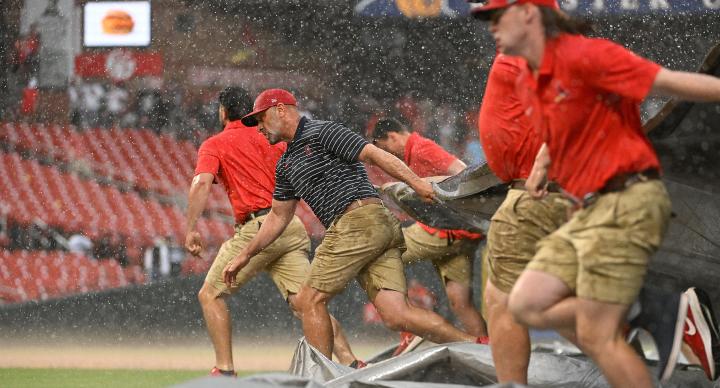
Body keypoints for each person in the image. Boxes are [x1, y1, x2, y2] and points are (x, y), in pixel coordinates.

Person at [473, 0, 720, 386]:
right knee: (533, 306)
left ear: (529, 15)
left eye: (496, 16)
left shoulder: (585, 55)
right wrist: (550, 170)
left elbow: (672, 83)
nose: (490, 26)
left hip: (625, 198)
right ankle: (651, 310)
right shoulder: (538, 75)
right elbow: (568, 122)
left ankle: (652, 309)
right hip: (583, 202)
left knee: (536, 311)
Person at [223, 89, 486, 362]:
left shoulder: (323, 131)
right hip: (376, 227)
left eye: (261, 119)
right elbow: (278, 216)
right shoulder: (286, 164)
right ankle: (479, 345)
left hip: (357, 223)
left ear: (281, 110)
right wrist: (245, 254)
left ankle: (319, 381)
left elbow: (373, 155)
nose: (260, 128)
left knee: (308, 301)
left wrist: (417, 183)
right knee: (397, 315)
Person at [185, 87, 361, 377]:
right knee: (308, 303)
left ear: (223, 111)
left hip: (257, 227)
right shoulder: (271, 137)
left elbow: (202, 183)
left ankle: (225, 370)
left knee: (210, 295)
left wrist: (191, 229)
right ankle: (351, 361)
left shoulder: (215, 144)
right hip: (290, 227)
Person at [371, 117, 487, 337]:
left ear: (393, 137)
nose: (389, 155)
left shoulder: (422, 148)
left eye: (386, 149)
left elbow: (462, 174)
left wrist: (413, 187)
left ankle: (407, 327)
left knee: (385, 254)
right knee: (460, 302)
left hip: (443, 231)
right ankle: (487, 353)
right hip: (460, 236)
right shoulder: (414, 152)